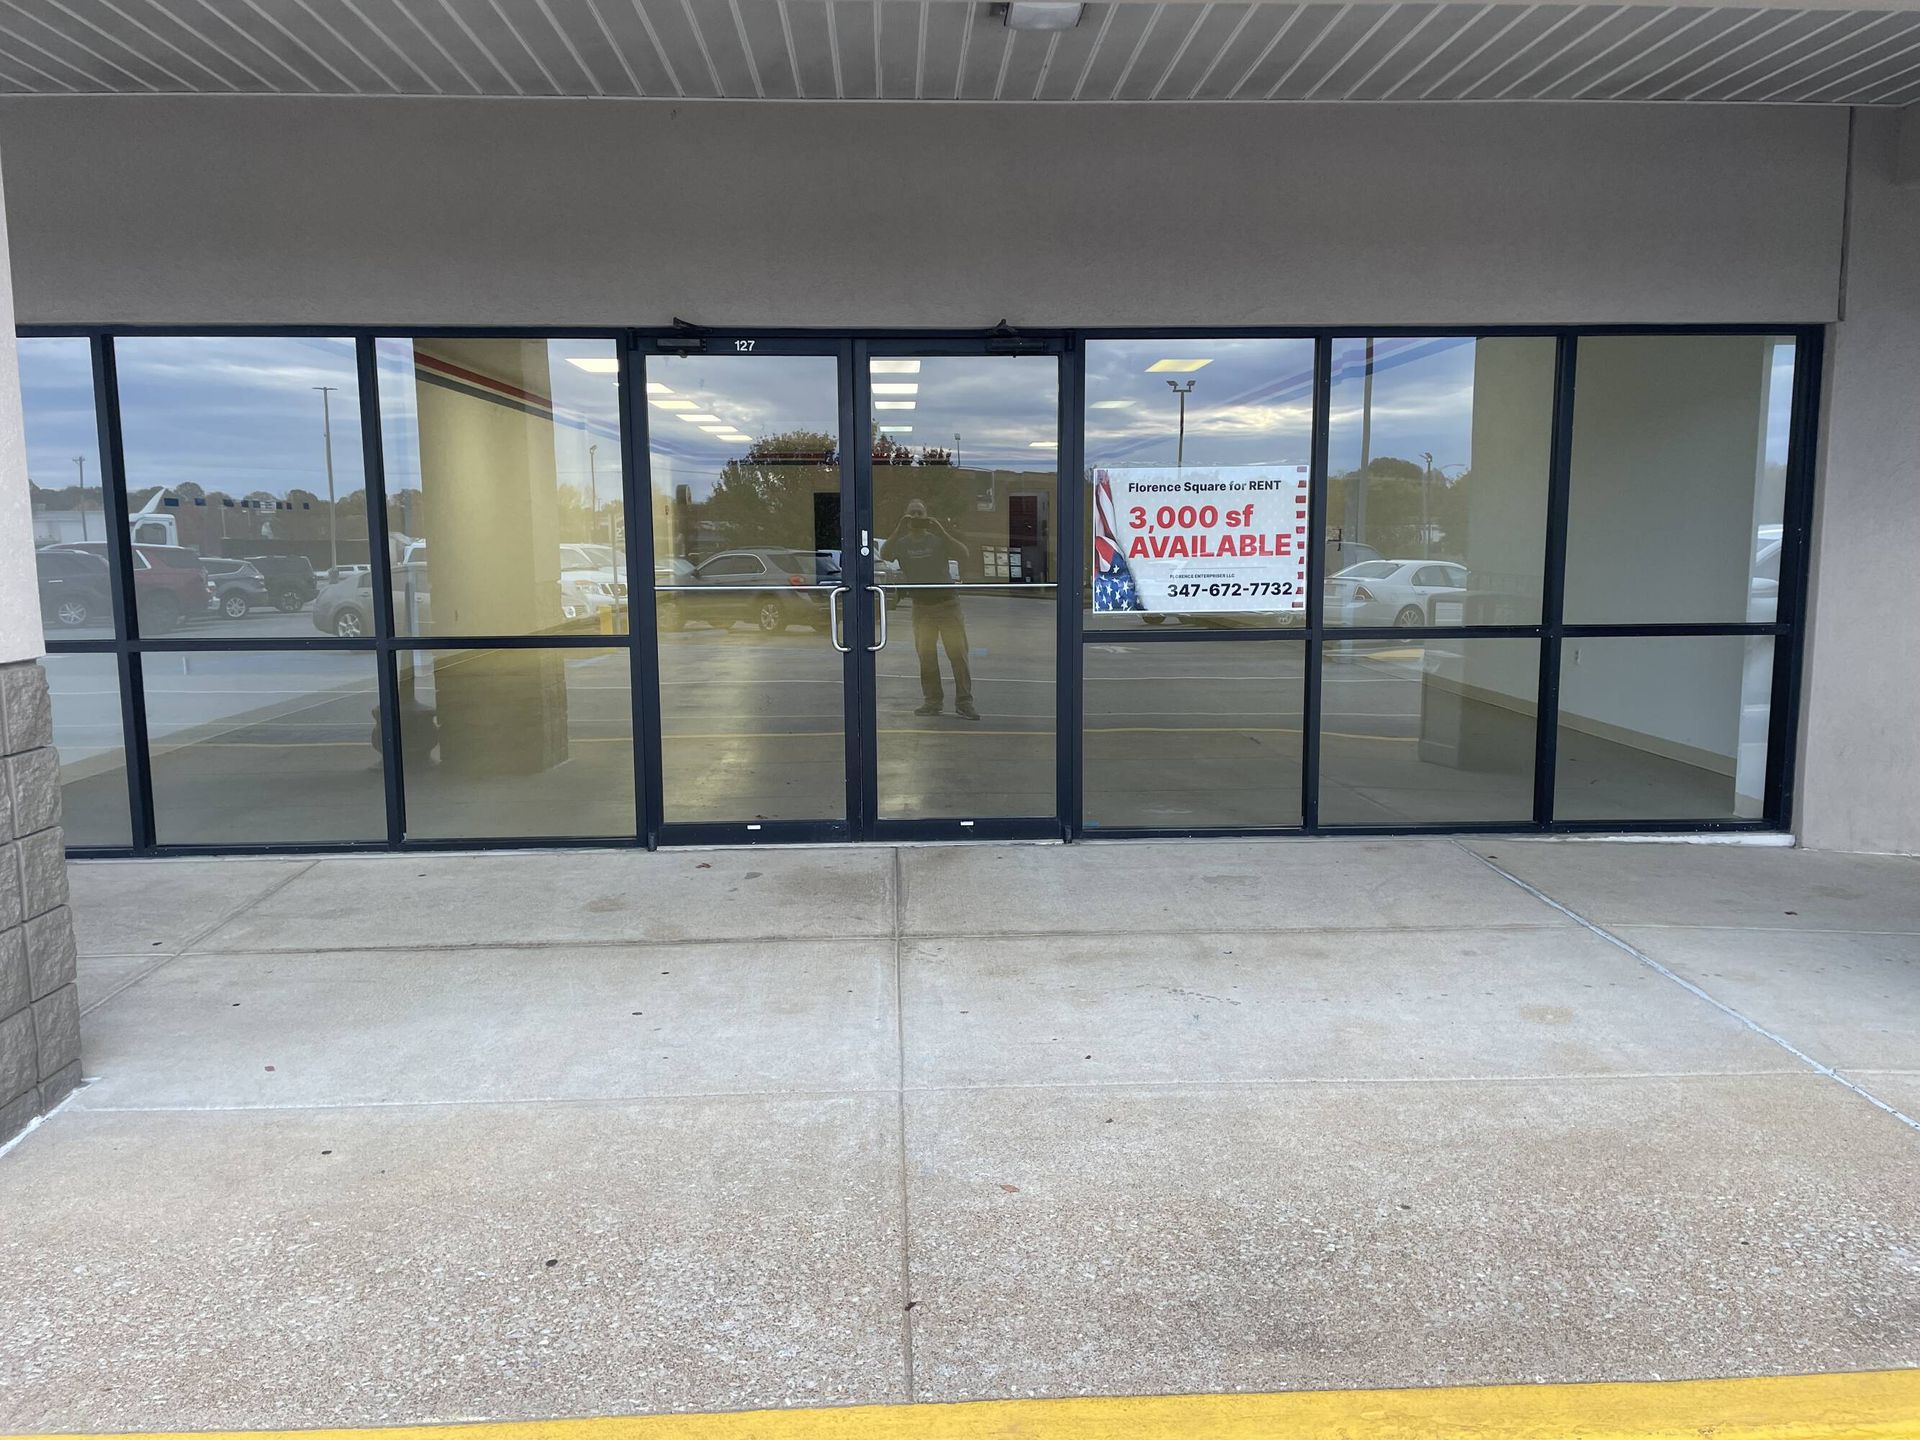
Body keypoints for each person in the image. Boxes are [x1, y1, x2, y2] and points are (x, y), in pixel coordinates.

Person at [885, 499, 976, 720]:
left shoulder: (938, 540)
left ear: (927, 515)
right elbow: (885, 554)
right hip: (922, 608)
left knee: (958, 655)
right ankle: (933, 701)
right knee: (926, 657)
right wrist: (898, 528)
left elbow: (964, 554)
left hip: (947, 605)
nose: (917, 518)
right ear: (907, 518)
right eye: (912, 514)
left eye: (920, 513)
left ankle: (964, 703)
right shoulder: (903, 543)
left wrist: (941, 530)